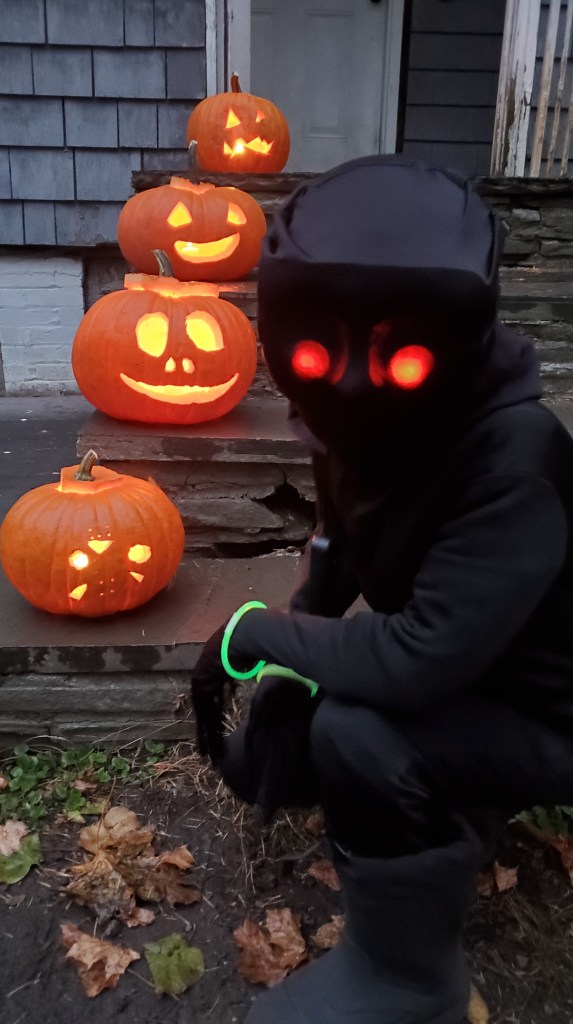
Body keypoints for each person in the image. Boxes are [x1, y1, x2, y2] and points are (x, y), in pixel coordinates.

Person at [191, 155, 573, 1024]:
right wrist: (284, 680)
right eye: (318, 353)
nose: (355, 383)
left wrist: (257, 636)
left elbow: (417, 657)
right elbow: (334, 550)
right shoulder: (361, 429)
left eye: (398, 358)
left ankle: (408, 979)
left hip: (552, 714)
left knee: (360, 731)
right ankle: (454, 810)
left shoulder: (513, 460)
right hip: (482, 670)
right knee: (301, 733)